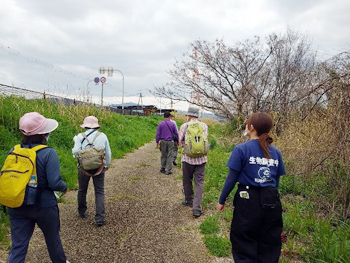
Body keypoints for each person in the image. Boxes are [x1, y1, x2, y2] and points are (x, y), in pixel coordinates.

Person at [217, 112, 286, 263]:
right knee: (269, 241)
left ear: (251, 127)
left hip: (248, 200)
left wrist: (222, 200)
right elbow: (276, 182)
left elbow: (231, 179)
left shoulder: (241, 149)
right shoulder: (276, 153)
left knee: (244, 239)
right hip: (272, 201)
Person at [7, 112, 69, 263]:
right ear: (43, 134)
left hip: (16, 204)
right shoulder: (48, 153)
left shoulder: (13, 151)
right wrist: (65, 187)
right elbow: (55, 183)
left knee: (18, 246)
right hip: (44, 206)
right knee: (53, 242)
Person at [72, 116, 111, 227]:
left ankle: (82, 211)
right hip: (99, 167)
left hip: (83, 168)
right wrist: (107, 164)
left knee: (82, 189)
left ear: (85, 125)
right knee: (99, 191)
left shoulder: (80, 136)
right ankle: (100, 218)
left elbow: (75, 152)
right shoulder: (102, 136)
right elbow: (108, 152)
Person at [178, 107, 209, 218]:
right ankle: (196, 208)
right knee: (199, 182)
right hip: (201, 159)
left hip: (187, 159)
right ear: (197, 115)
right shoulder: (204, 125)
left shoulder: (184, 126)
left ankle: (188, 200)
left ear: (189, 115)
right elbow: (206, 139)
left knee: (187, 180)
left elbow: (180, 141)